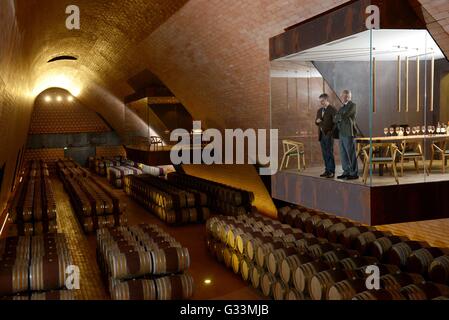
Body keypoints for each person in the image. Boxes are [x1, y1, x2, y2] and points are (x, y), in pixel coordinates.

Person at [334, 90, 359, 180]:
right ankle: (346, 171)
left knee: (350, 153)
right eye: (342, 96)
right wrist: (340, 116)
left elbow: (346, 115)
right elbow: (335, 118)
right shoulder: (342, 107)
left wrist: (340, 116)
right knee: (343, 153)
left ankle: (354, 173)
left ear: (349, 96)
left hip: (349, 133)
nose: (343, 98)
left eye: (345, 96)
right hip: (341, 133)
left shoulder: (352, 105)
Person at [315, 93, 337, 178]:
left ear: (327, 100)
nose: (321, 103)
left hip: (328, 134)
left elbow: (336, 123)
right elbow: (316, 122)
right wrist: (317, 121)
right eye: (320, 101)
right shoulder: (319, 110)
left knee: (329, 153)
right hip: (321, 135)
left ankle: (331, 171)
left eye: (322, 101)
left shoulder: (332, 109)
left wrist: (331, 132)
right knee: (324, 153)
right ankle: (327, 170)